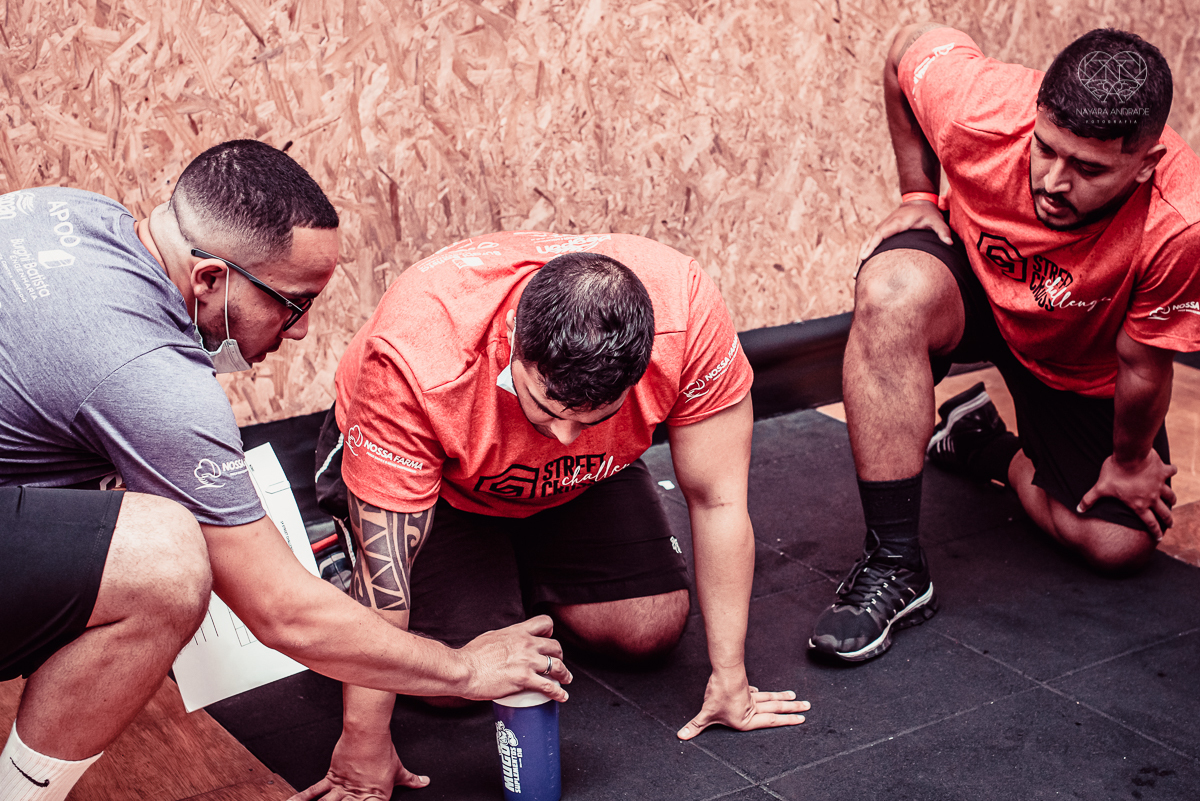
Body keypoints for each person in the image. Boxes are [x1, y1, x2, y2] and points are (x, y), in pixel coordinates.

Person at [0, 141, 568, 801]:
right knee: (162, 560)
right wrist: (465, 668)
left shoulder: (69, 214)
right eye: (292, 303)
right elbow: (284, 614)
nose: (298, 331)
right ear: (209, 280)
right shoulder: (153, 379)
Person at [303, 231, 810, 797]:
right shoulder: (417, 356)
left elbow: (719, 500)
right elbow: (386, 583)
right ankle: (343, 558)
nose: (564, 436)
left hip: (580, 480)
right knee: (446, 679)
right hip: (442, 487)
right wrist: (363, 745)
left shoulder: (686, 313)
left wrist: (731, 680)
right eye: (544, 407)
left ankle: (514, 570)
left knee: (650, 628)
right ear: (514, 340)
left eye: (592, 417)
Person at [808, 23, 1200, 664]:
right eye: (1046, 149)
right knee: (890, 290)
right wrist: (917, 193)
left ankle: (980, 441)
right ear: (1035, 116)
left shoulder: (1179, 222)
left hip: (1077, 359)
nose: (1054, 182)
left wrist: (1130, 465)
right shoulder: (980, 107)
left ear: (1145, 165)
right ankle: (895, 564)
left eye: (1089, 168)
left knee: (1118, 545)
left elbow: (1144, 362)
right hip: (973, 290)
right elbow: (906, 46)